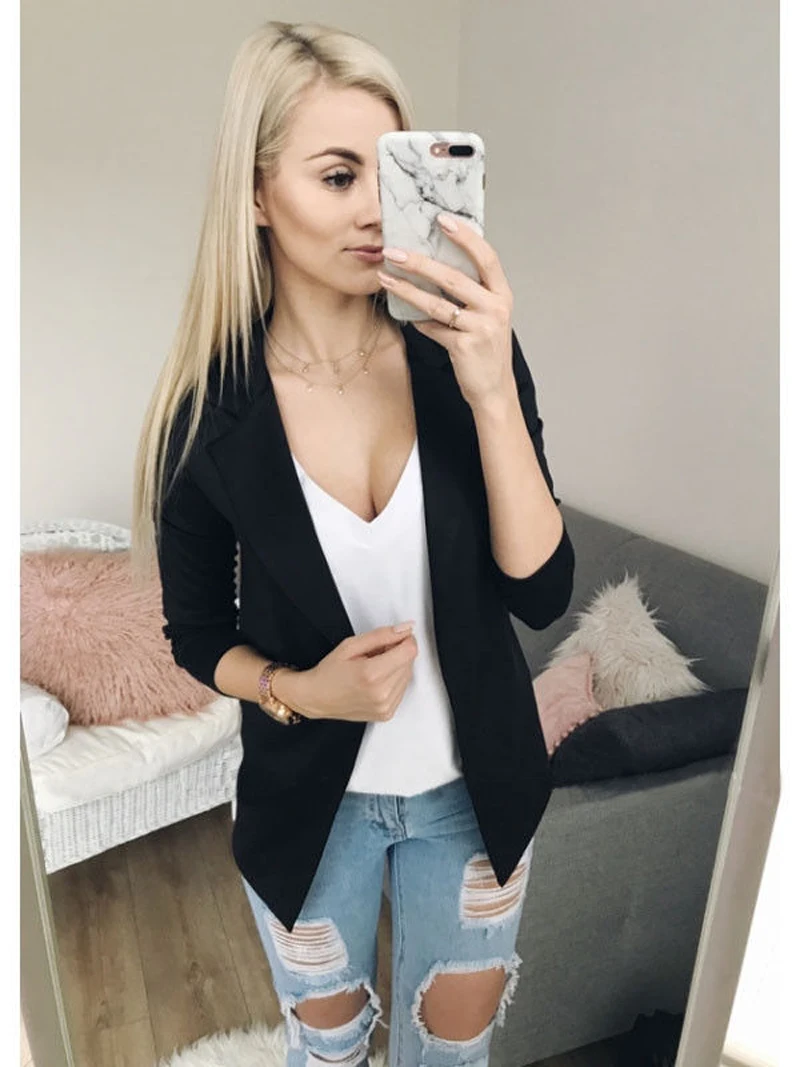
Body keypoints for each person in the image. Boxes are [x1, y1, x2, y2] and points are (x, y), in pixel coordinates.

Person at [132, 19, 575, 1067]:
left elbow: (542, 589)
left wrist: (490, 393)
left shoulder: (463, 356)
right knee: (324, 1052)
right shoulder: (207, 417)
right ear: (256, 194)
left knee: (449, 1055)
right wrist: (298, 690)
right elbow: (196, 634)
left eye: (391, 169)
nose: (377, 207)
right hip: (308, 807)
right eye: (337, 176)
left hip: (474, 796)